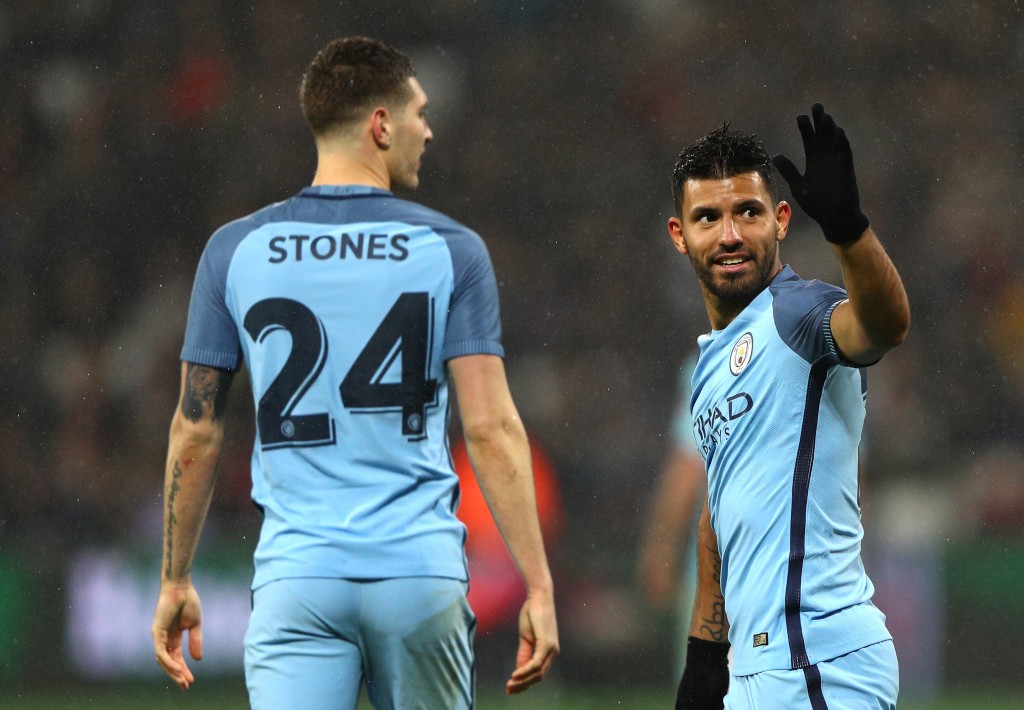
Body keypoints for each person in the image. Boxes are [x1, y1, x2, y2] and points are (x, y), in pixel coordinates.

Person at [150, 36, 558, 709]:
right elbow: (489, 428)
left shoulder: (235, 251)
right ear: (380, 124)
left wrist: (173, 579)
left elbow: (195, 432)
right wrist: (538, 587)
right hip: (415, 573)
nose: (428, 130)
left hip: (298, 578)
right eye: (418, 113)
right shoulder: (452, 250)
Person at [666, 104, 910, 709]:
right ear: (680, 235)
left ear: (780, 220)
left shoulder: (799, 314)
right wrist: (702, 665)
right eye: (708, 217)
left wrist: (848, 227)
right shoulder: (709, 363)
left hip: (818, 661)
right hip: (757, 670)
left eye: (747, 212)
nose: (729, 235)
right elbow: (719, 513)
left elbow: (883, 327)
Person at [637, 355, 706, 676]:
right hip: (808, 568)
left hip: (726, 573)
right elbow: (849, 475)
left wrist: (660, 550)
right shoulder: (828, 355)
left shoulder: (718, 358)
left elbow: (687, 467)